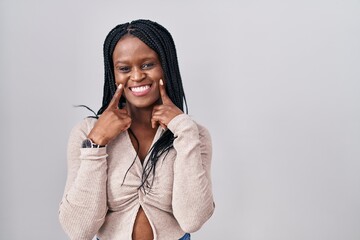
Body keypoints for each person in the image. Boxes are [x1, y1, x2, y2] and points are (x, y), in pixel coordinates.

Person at [59, 19, 215, 240]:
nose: (137, 76)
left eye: (148, 64)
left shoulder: (193, 133)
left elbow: (192, 219)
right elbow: (78, 230)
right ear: (113, 74)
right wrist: (96, 143)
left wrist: (183, 129)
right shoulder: (87, 133)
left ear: (166, 66)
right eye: (124, 68)